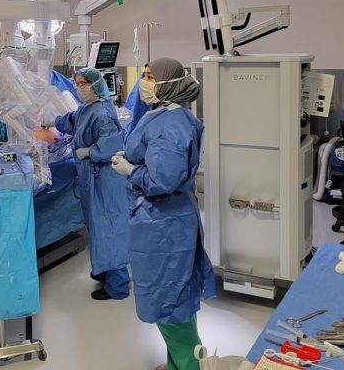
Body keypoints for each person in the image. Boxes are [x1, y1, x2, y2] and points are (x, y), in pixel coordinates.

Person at [111, 57, 216, 370]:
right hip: (164, 220)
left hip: (164, 226)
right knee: (175, 305)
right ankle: (176, 365)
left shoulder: (170, 124)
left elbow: (162, 180)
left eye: (150, 76)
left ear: (169, 83)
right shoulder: (165, 114)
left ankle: (189, 366)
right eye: (144, 75)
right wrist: (133, 159)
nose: (143, 82)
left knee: (170, 307)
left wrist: (130, 170)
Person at [34, 67, 130, 300]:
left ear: (95, 86)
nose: (78, 88)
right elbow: (72, 120)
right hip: (92, 177)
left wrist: (86, 152)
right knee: (97, 228)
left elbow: (110, 146)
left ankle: (118, 286)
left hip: (105, 180)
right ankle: (105, 270)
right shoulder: (88, 108)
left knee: (108, 229)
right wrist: (51, 121)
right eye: (76, 84)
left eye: (83, 84)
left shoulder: (103, 113)